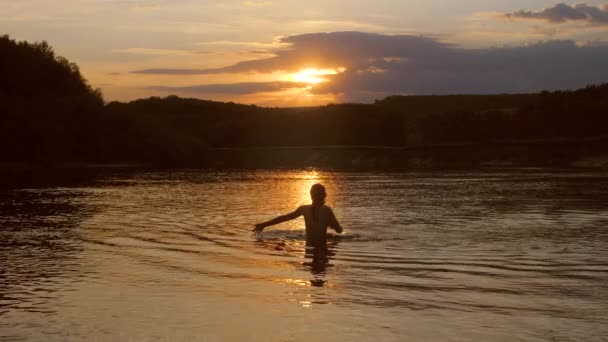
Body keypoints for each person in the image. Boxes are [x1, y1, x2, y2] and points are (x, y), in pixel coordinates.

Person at [252, 183, 343, 255]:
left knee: (283, 248)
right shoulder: (327, 210)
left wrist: (263, 224)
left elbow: (284, 218)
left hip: (309, 247)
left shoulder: (304, 209)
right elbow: (339, 230)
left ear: (311, 196)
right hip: (322, 246)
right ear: (324, 195)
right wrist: (331, 225)